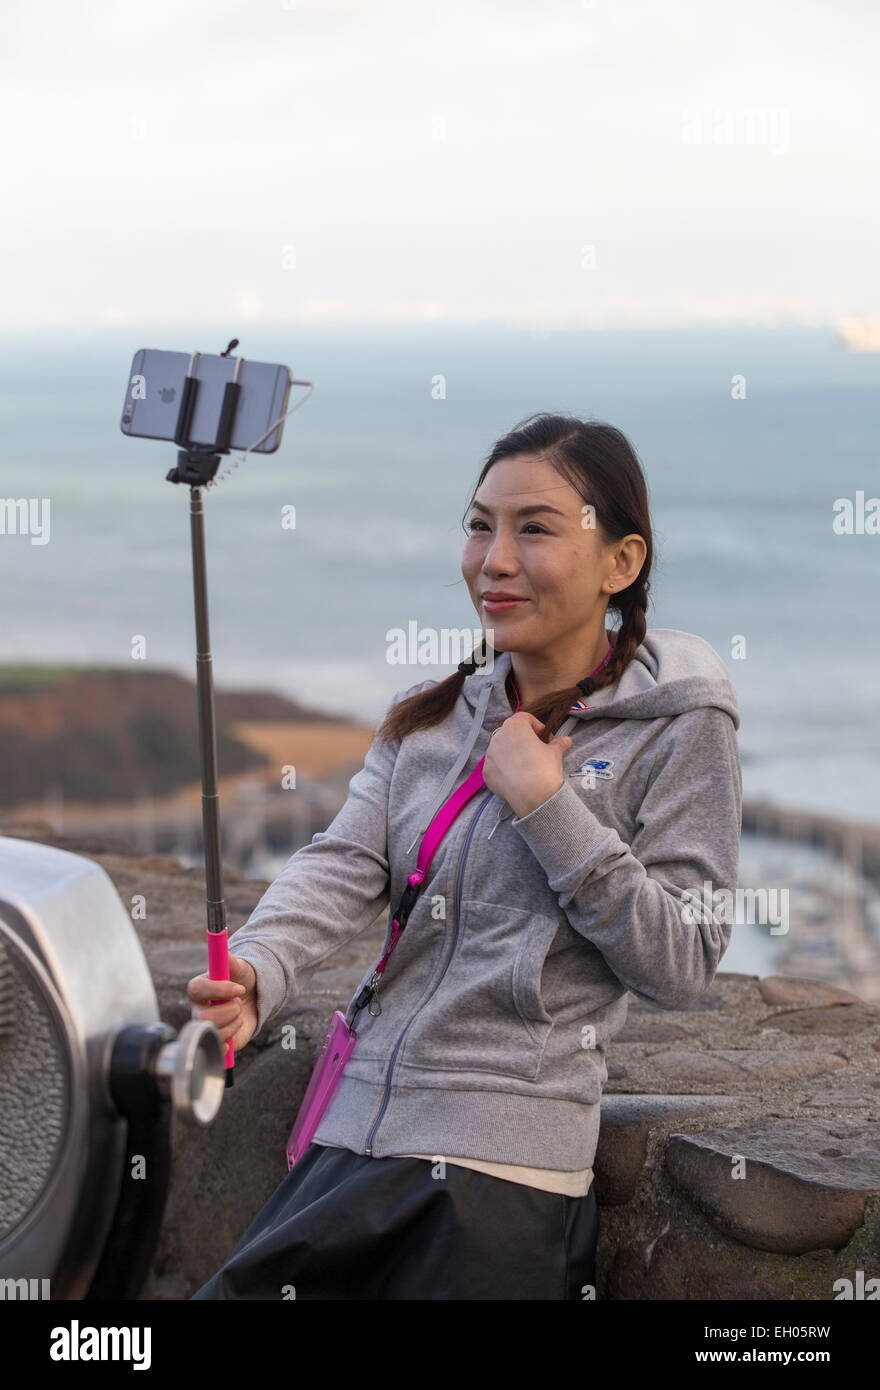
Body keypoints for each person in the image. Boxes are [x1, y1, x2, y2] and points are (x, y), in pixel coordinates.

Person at [188, 412, 742, 1300]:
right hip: (351, 1140)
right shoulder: (430, 713)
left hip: (500, 1183)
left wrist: (547, 804)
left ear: (621, 562)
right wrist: (259, 970)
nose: (495, 559)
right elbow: (342, 863)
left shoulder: (683, 727)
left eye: (536, 528)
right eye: (480, 524)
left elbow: (682, 960)